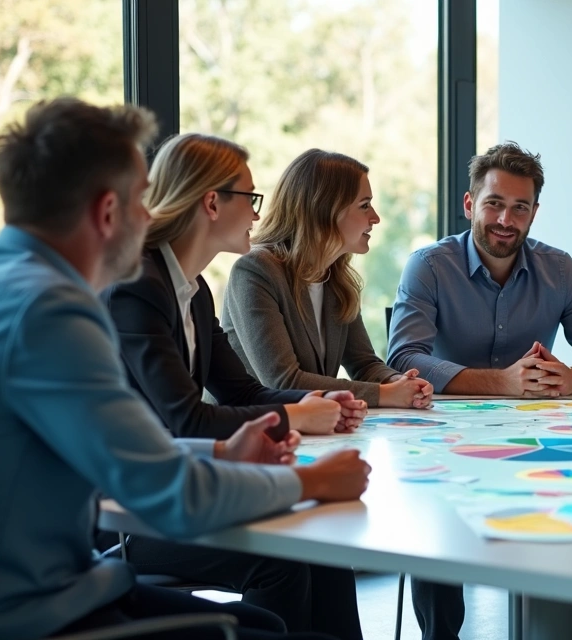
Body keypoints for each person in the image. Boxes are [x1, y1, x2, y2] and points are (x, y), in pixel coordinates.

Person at [0, 97, 371, 640]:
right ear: (108, 211)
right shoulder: (49, 313)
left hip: (41, 588)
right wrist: (312, 480)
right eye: (141, 199)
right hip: (40, 617)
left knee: (268, 620)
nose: (151, 216)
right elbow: (173, 496)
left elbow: (128, 455)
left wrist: (220, 452)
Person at [387, 143, 572, 639]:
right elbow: (403, 360)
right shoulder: (429, 266)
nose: (506, 220)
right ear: (469, 204)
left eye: (520, 208)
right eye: (494, 204)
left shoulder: (559, 270)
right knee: (438, 516)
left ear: (535, 212)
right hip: (449, 447)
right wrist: (501, 383)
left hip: (542, 447)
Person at [101, 133, 368, 638]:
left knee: (323, 544)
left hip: (178, 484)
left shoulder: (194, 289)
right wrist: (296, 415)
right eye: (250, 197)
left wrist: (315, 400)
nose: (257, 213)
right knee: (285, 558)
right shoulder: (135, 287)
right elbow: (186, 419)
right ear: (211, 202)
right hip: (125, 514)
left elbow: (242, 392)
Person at [221, 149, 433, 409]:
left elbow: (364, 363)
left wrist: (399, 382)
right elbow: (283, 382)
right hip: (247, 428)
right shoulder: (255, 270)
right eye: (364, 205)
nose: (375, 218)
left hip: (308, 425)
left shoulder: (335, 277)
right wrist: (385, 394)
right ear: (324, 210)